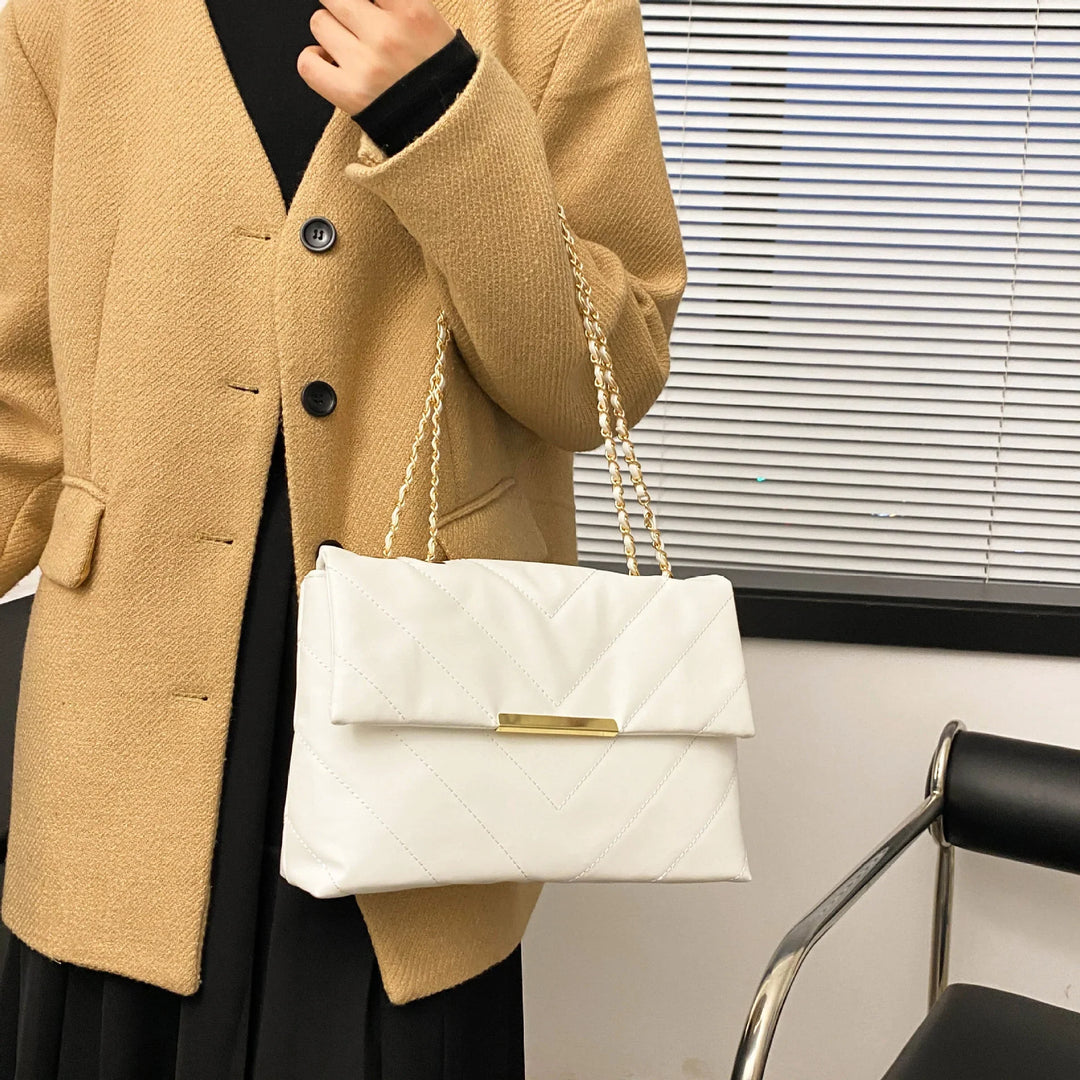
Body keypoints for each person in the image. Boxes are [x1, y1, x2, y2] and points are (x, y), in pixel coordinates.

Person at [0, 0, 688, 1075]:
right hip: (121, 727)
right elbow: (20, 397)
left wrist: (446, 114)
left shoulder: (555, 15)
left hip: (420, 731)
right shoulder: (67, 16)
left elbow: (600, 386)